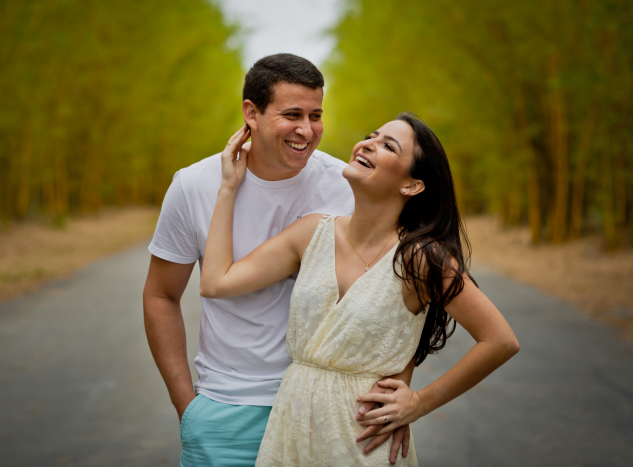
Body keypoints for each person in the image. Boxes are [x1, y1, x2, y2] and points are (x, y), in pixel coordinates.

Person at [200, 113, 521, 466]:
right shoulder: (311, 234)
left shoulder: (421, 257)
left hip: (363, 439)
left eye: (387, 145)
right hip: (290, 431)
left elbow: (500, 340)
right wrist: (228, 186)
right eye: (371, 135)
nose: (368, 143)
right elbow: (216, 282)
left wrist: (420, 402)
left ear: (412, 185)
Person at [143, 54, 413, 467]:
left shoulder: (348, 187)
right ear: (251, 113)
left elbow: (402, 301)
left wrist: (401, 394)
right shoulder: (194, 186)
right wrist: (188, 408)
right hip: (227, 409)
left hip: (332, 413)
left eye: (316, 115)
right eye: (292, 114)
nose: (307, 130)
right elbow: (162, 296)